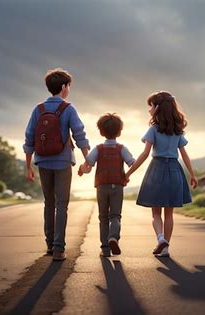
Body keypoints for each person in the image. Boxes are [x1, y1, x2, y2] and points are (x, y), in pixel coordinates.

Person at [23, 68, 90, 261]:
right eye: (68, 86)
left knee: (49, 203)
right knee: (62, 205)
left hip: (43, 161)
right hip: (62, 162)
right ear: (64, 87)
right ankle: (59, 248)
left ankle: (50, 245)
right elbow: (79, 135)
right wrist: (87, 160)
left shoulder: (39, 109)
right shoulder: (68, 108)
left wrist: (28, 166)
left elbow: (29, 138)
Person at [125, 91, 198, 257]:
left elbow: (144, 154)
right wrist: (192, 175)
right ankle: (165, 248)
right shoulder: (177, 130)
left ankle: (160, 239)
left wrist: (128, 173)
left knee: (156, 213)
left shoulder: (153, 129)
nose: (148, 109)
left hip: (157, 170)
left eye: (150, 106)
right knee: (169, 213)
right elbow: (184, 154)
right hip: (175, 171)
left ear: (157, 107)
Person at [78, 113, 135, 257]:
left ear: (101, 131)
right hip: (117, 186)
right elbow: (132, 163)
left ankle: (105, 248)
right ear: (119, 131)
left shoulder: (98, 149)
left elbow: (87, 165)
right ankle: (113, 237)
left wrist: (80, 169)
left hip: (102, 187)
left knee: (103, 217)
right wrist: (126, 176)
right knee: (115, 216)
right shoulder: (122, 148)